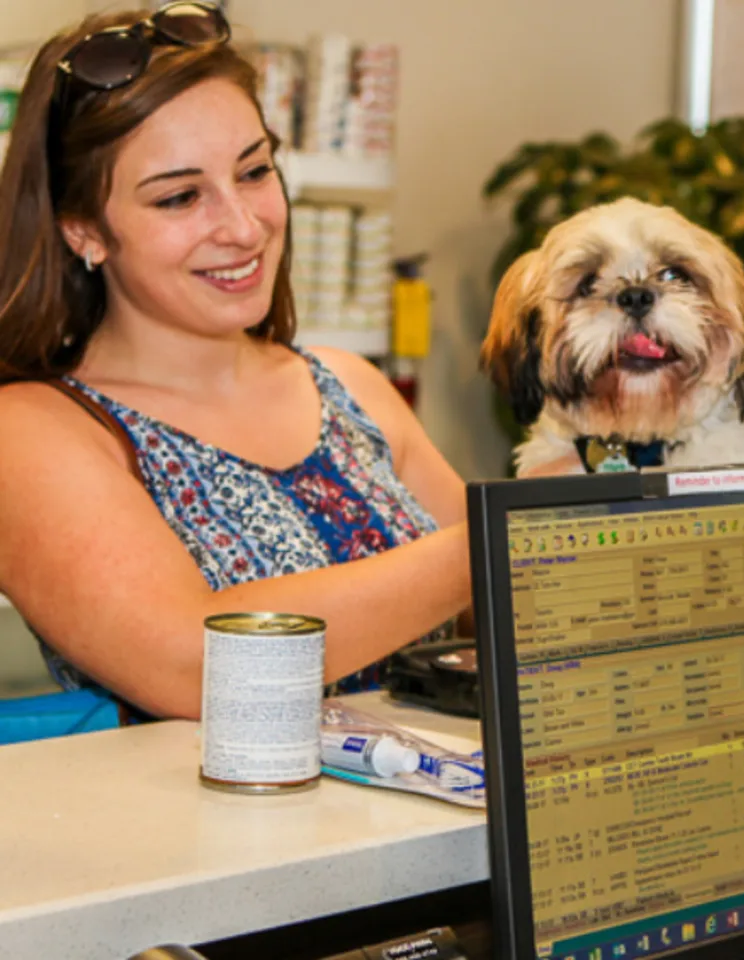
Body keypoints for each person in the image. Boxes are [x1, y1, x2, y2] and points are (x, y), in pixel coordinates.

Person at [0, 3, 469, 721]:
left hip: (428, 832)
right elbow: (197, 664)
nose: (244, 226)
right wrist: (502, 547)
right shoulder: (33, 433)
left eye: (254, 171)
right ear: (83, 229)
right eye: (181, 196)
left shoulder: (348, 385)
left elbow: (512, 616)